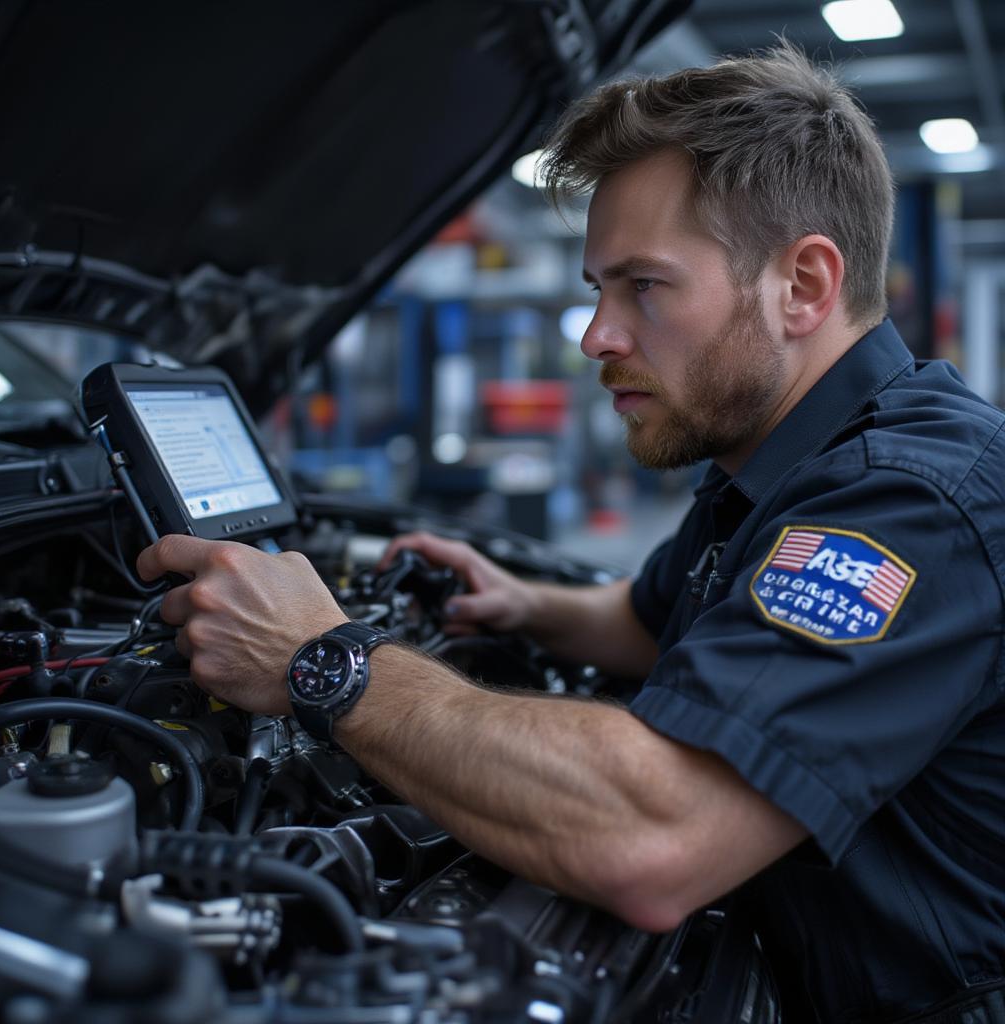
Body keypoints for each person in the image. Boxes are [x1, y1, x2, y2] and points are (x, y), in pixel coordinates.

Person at [137, 42, 1005, 1023]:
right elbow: (650, 614)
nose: (596, 335)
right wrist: (521, 602)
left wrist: (327, 659)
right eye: (598, 288)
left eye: (643, 286)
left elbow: (655, 836)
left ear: (801, 285)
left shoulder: (909, 501)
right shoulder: (780, 463)